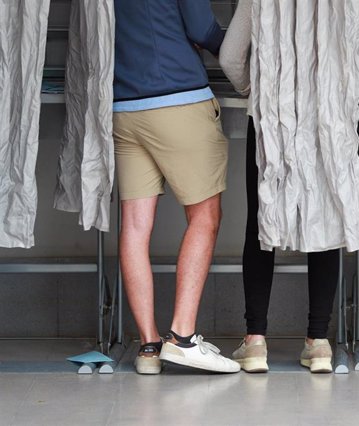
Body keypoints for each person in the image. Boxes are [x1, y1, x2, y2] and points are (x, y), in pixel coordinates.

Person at [113, 0, 240, 375]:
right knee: (205, 216)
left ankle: (149, 347)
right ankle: (182, 339)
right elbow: (203, 29)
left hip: (123, 105)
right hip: (178, 100)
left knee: (135, 226)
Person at [219, 0, 340, 374]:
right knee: (324, 221)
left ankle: (255, 342)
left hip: (270, 117)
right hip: (325, 119)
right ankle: (317, 342)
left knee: (260, 225)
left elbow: (230, 57)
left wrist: (253, 92)